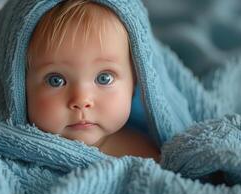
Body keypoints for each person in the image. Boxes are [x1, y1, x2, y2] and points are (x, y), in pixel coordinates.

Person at [26, 0, 160, 160]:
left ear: (135, 82)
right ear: (21, 85)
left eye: (104, 78)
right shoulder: (9, 156)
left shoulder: (145, 154)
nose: (81, 101)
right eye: (56, 80)